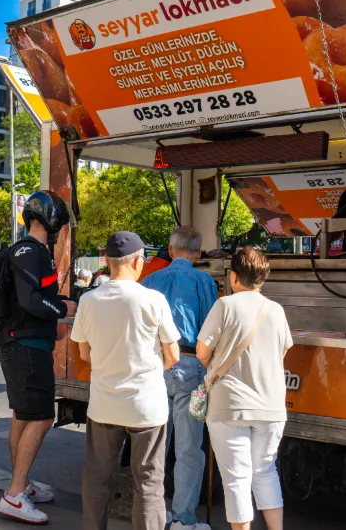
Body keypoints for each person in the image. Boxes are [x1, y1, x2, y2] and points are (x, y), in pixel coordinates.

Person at [72, 232, 180, 530]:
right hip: (147, 407)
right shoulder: (153, 300)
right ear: (138, 261)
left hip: (104, 405)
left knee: (97, 478)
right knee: (148, 481)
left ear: (106, 261)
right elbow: (172, 355)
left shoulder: (89, 301)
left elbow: (84, 353)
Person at [195, 247, 293, 530]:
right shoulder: (276, 310)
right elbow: (282, 351)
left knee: (237, 478)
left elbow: (203, 352)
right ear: (263, 279)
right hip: (271, 406)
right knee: (265, 472)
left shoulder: (225, 306)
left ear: (234, 277)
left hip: (230, 405)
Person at [0, 190, 76, 525]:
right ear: (51, 218)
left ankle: (21, 486)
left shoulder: (25, 250)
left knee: (23, 416)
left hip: (20, 343)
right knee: (42, 417)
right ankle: (14, 495)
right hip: (27, 347)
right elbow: (31, 300)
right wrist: (63, 307)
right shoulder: (31, 251)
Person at [141, 227, 218, 530]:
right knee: (190, 448)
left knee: (155, 445)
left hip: (155, 368)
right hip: (193, 371)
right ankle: (184, 520)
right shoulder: (205, 281)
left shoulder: (149, 280)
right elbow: (211, 334)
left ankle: (153, 514)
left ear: (170, 251)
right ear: (198, 254)